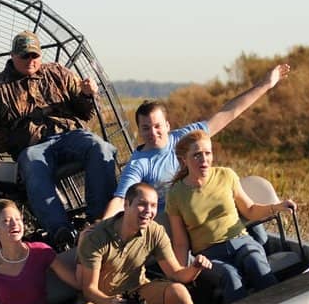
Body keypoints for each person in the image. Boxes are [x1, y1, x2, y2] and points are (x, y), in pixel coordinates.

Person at [0, 30, 118, 250]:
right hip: (33, 147)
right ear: (13, 56)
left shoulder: (58, 73)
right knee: (32, 163)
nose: (30, 60)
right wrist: (15, 139)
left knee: (101, 148)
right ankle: (61, 232)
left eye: (34, 55)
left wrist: (87, 95)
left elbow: (86, 112)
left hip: (70, 135)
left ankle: (98, 221)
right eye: (24, 56)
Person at [101, 64, 291, 220]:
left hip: (205, 202)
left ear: (167, 125)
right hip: (176, 221)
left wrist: (265, 84)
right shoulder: (139, 164)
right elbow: (121, 200)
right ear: (139, 130)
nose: (153, 132)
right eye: (146, 128)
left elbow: (229, 113)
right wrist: (101, 225)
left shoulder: (184, 137)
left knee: (248, 221)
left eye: (157, 126)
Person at [76, 182, 211, 304]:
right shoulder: (96, 238)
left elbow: (176, 274)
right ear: (126, 205)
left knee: (179, 292)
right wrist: (109, 302)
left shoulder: (155, 231)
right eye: (142, 204)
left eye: (153, 205)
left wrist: (195, 268)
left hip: (137, 292)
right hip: (101, 301)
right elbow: (89, 289)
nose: (149, 211)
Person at [166, 130, 296, 304]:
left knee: (254, 261)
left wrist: (277, 207)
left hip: (241, 241)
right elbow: (181, 242)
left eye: (208, 153)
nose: (204, 160)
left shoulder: (226, 175)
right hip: (209, 255)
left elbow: (250, 210)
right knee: (230, 276)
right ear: (184, 160)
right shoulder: (175, 194)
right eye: (197, 155)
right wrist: (181, 273)